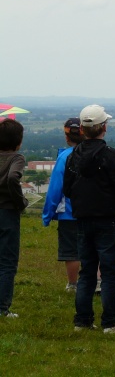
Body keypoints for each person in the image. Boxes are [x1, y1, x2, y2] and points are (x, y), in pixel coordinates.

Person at [64, 105, 115, 333]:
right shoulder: (110, 155)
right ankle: (111, 323)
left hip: (82, 219)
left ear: (82, 129)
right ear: (104, 127)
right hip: (107, 219)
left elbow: (67, 188)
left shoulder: (74, 156)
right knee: (110, 273)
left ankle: (82, 321)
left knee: (87, 271)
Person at [42, 118, 84, 293]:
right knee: (94, 248)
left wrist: (48, 214)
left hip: (68, 212)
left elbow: (55, 188)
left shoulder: (64, 157)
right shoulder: (98, 153)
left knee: (71, 251)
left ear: (67, 136)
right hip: (95, 211)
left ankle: (73, 285)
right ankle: (97, 282)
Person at [0, 118, 27, 318]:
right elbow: (11, 178)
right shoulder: (17, 158)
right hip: (7, 212)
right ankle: (2, 309)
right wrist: (20, 202)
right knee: (7, 262)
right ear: (18, 141)